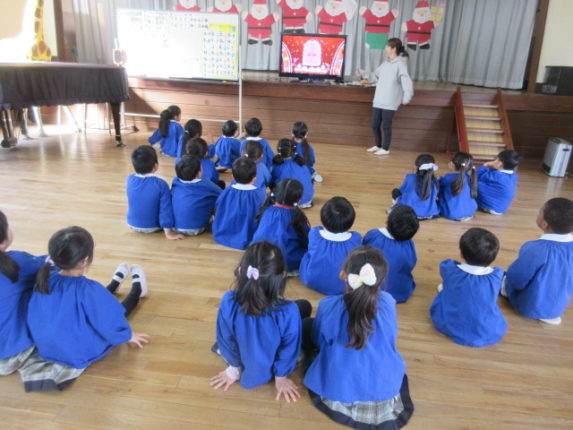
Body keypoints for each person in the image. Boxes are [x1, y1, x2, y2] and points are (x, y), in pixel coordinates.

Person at [303, 246, 414, 429]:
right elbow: (391, 338)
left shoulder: (328, 305)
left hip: (339, 385)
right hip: (385, 384)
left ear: (342, 275)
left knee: (307, 324)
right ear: (382, 280)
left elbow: (318, 339)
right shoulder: (388, 302)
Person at [27, 226, 150, 391]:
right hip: (77, 350)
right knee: (114, 309)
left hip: (46, 347)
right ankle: (137, 291)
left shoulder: (45, 278)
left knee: (97, 302)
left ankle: (114, 283)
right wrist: (127, 335)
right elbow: (109, 322)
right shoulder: (89, 289)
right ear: (85, 260)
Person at [210, 241, 311, 402]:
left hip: (240, 358)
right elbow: (289, 348)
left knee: (301, 308)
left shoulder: (228, 300)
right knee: (304, 308)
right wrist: (281, 377)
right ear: (283, 276)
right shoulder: (288, 310)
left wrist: (233, 369)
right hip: (272, 367)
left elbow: (225, 339)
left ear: (240, 271)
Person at [430, 228, 506, 347]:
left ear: (461, 254)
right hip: (486, 329)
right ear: (493, 257)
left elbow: (446, 265)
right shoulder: (497, 275)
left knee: (445, 290)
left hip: (451, 324)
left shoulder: (449, 269)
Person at [503, 198, 573, 325]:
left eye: (541, 211)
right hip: (558, 307)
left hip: (527, 306)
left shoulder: (534, 248)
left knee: (502, 275)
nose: (539, 212)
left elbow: (517, 279)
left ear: (545, 224)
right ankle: (549, 313)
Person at [0, 210, 47, 387]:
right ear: (4, 237)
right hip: (9, 356)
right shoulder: (18, 262)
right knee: (38, 288)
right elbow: (52, 264)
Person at [299, 197, 362, 295]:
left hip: (311, 280)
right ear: (351, 223)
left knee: (307, 254)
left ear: (321, 219)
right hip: (342, 286)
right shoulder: (355, 238)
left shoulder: (314, 233)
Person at [252, 179, 310, 273]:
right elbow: (306, 240)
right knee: (309, 254)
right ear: (298, 200)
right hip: (284, 260)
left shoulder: (266, 209)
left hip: (258, 256)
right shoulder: (297, 216)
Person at [363, 205, 419, 302]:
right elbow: (411, 264)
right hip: (400, 293)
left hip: (371, 291)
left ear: (387, 221)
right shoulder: (409, 245)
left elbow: (362, 252)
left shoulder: (374, 235)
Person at [367, 38, 413, 155]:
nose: (385, 49)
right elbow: (375, 76)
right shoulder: (386, 63)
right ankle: (378, 145)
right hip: (379, 100)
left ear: (393, 49)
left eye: (387, 46)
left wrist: (407, 96)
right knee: (374, 124)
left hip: (390, 101)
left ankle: (385, 148)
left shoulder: (400, 64)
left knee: (386, 126)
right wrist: (363, 73)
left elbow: (406, 81)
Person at [126, 145, 183, 240]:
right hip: (153, 226)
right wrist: (168, 233)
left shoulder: (129, 179)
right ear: (155, 166)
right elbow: (165, 210)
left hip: (132, 223)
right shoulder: (161, 184)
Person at [212, 158, 266, 250]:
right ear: (254, 178)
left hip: (224, 234)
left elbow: (218, 206)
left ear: (233, 176)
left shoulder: (227, 191)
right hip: (249, 236)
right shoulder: (259, 194)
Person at [172, 156, 222, 236]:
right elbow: (223, 195)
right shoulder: (206, 184)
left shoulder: (175, 181)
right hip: (197, 228)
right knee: (216, 199)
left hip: (175, 226)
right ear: (199, 173)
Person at [391, 153, 439, 219]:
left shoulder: (410, 177)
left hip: (410, 213)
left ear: (416, 167)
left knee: (395, 191)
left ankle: (396, 207)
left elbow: (402, 191)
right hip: (430, 214)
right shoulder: (435, 181)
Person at [270, 138, 314, 209]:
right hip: (307, 200)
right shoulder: (301, 162)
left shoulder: (276, 166)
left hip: (289, 202)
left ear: (278, 150)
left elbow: (271, 181)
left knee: (272, 180)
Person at [477, 150, 520, 215]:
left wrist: (485, 164)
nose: (494, 161)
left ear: (500, 163)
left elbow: (477, 176)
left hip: (490, 207)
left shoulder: (496, 175)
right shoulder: (514, 175)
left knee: (470, 183)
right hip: (500, 208)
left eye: (496, 159)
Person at [438, 152, 477, 221]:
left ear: (452, 164)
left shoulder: (448, 177)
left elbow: (437, 186)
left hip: (451, 213)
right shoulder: (470, 177)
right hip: (470, 211)